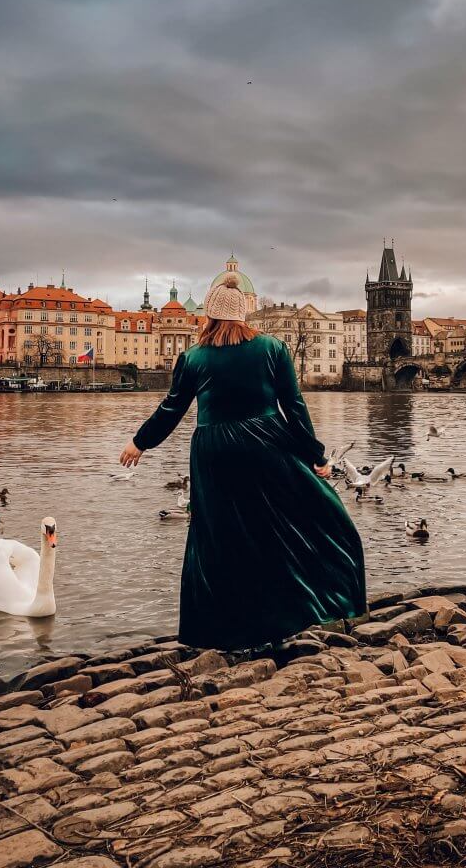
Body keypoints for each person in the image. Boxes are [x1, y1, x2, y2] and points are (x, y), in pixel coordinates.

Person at [119, 273, 366, 652]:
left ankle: (221, 631)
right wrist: (315, 455)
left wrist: (141, 442)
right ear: (243, 316)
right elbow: (294, 407)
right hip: (266, 442)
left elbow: (172, 408)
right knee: (304, 523)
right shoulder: (271, 349)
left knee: (220, 538)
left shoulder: (192, 357)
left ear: (209, 316)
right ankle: (292, 614)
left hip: (214, 450)